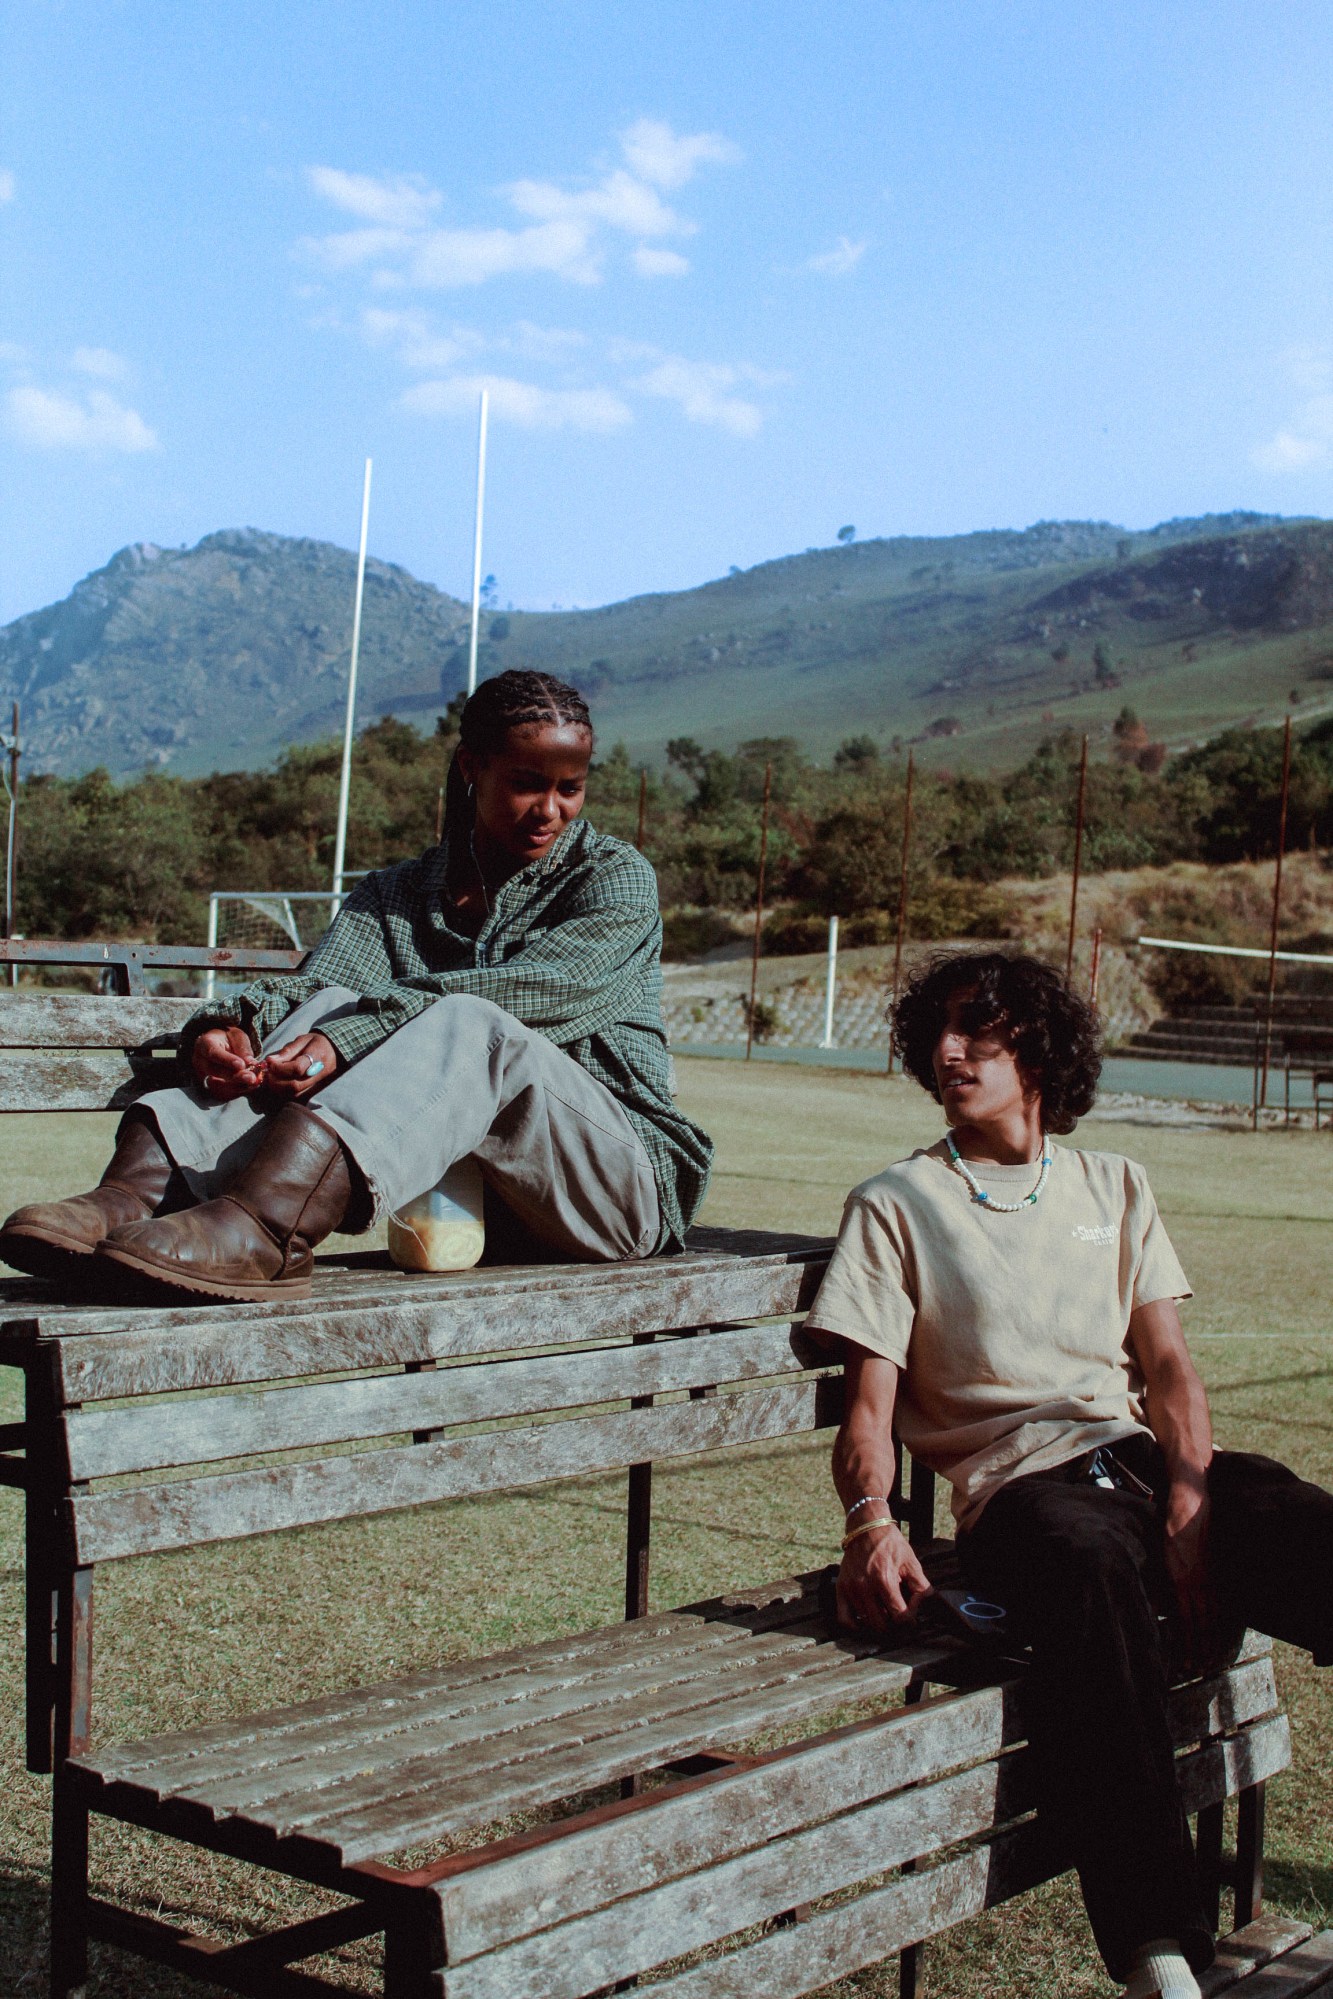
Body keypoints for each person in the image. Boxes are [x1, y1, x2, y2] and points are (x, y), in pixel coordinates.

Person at [804, 950, 1333, 1999]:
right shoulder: (896, 1203)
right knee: (1090, 1569)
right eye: (938, 1034)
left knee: (1301, 1528)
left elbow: (1170, 1367)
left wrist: (1188, 1502)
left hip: (1141, 1465)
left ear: (1036, 1047)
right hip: (1022, 1494)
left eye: (979, 1030)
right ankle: (1159, 1957)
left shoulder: (1113, 1184)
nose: (951, 1052)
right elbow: (869, 1408)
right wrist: (870, 1519)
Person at [0, 670, 713, 1302]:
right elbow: (324, 989)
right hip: (484, 1195)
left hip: (618, 1189)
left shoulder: (612, 878)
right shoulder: (397, 891)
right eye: (527, 782)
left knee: (468, 1021)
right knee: (329, 1005)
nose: (551, 808)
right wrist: (231, 1031)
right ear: (472, 768)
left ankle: (266, 1228)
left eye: (570, 788)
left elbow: (534, 992)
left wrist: (346, 1038)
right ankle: (139, 1191)